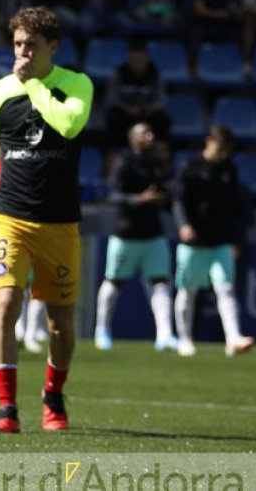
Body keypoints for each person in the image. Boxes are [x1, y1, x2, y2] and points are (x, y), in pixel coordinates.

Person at [0, 7, 93, 433]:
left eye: (31, 45)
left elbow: (69, 125)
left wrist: (35, 88)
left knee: (60, 322)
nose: (23, 52)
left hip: (59, 223)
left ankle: (53, 395)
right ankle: (6, 409)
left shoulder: (75, 85)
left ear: (53, 46)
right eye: (17, 45)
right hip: (9, 218)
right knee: (5, 303)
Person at [171, 126, 254, 357]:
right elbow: (178, 199)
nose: (224, 153)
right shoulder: (190, 167)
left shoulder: (229, 170)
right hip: (193, 244)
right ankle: (185, 339)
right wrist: (183, 225)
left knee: (225, 289)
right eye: (221, 147)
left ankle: (233, 338)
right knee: (188, 291)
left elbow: (234, 207)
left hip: (221, 243)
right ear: (209, 142)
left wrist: (236, 239)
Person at [94, 121, 177, 352]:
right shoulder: (124, 163)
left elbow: (166, 194)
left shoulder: (157, 164)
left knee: (161, 282)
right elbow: (113, 195)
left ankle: (165, 334)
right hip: (126, 235)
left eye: (151, 132)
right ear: (132, 139)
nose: (149, 137)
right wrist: (138, 199)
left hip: (153, 235)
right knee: (113, 281)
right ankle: (102, 330)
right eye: (144, 133)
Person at [103, 43, 170, 146]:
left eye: (140, 61)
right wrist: (128, 109)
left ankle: (159, 151)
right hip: (125, 113)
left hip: (148, 113)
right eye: (135, 61)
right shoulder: (119, 73)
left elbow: (161, 100)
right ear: (129, 59)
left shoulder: (155, 74)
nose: (138, 64)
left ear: (147, 59)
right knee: (113, 118)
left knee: (163, 120)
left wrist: (151, 108)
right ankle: (115, 152)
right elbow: (112, 99)